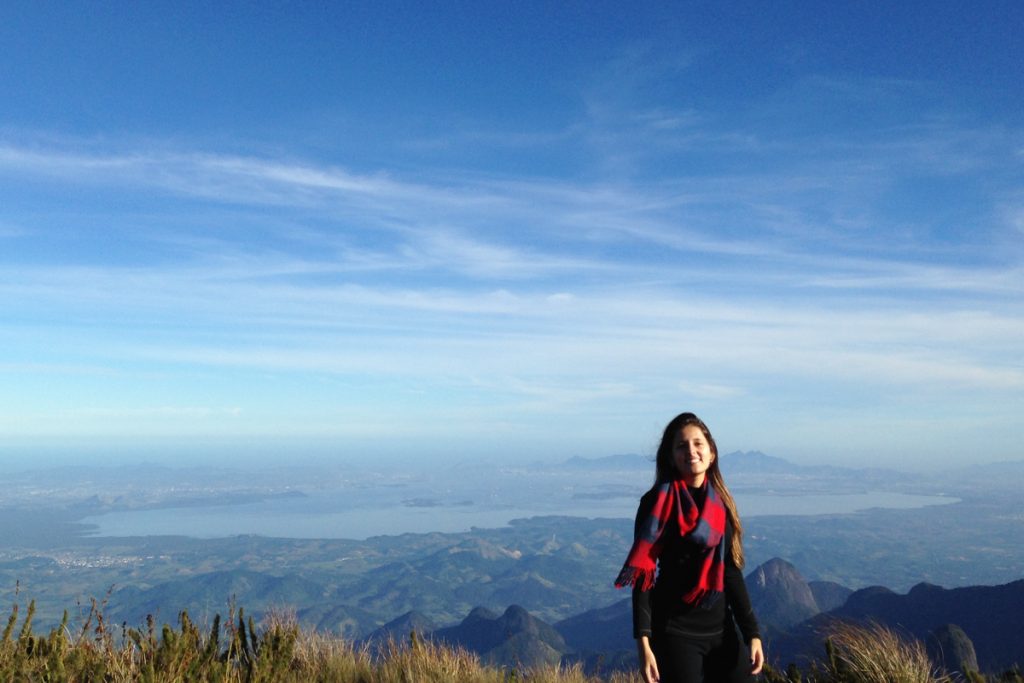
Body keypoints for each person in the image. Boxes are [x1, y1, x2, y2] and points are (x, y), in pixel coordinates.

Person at [615, 412, 764, 682]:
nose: (691, 451)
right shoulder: (655, 503)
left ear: (711, 453)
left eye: (698, 444)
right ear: (671, 457)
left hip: (722, 630)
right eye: (681, 445)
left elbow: (730, 572)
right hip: (674, 633)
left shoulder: (721, 506)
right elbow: (643, 577)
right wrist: (644, 644)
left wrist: (752, 633)